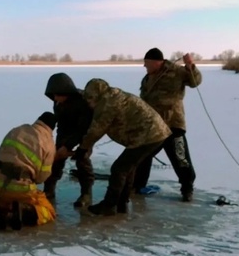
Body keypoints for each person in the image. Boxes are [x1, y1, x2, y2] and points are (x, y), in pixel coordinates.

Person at [73, 78, 172, 216]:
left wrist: (83, 148)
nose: (89, 102)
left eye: (90, 98)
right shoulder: (111, 95)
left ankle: (109, 205)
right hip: (154, 133)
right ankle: (122, 203)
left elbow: (96, 130)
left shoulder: (107, 103)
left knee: (119, 169)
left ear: (96, 95)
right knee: (128, 168)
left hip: (148, 135)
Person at [133, 48, 202, 202]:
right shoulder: (147, 79)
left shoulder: (176, 72)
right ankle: (138, 186)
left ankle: (187, 189)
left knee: (180, 158)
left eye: (147, 63)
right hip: (153, 126)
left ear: (157, 62)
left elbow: (195, 81)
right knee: (142, 156)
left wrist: (190, 65)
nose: (145, 67)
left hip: (173, 125)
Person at [43, 73, 94, 207]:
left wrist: (68, 146)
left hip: (86, 132)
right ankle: (48, 190)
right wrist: (60, 145)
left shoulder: (84, 102)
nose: (55, 98)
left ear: (66, 92)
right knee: (56, 159)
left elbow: (84, 129)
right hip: (67, 131)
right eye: (53, 96)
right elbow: (61, 124)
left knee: (83, 159)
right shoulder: (58, 101)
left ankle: (86, 194)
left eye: (57, 95)